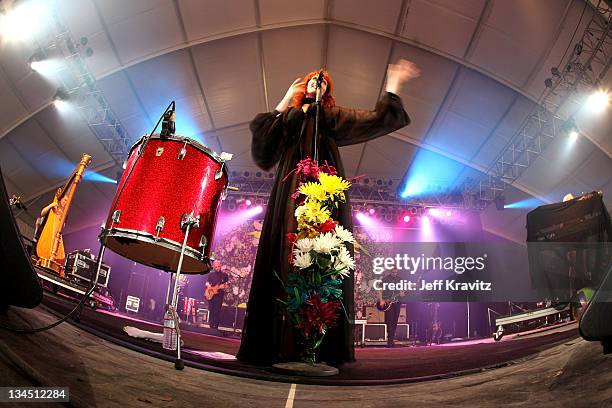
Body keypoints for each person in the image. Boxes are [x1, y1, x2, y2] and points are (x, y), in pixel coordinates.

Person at [237, 59, 420, 366]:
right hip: (292, 194)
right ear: (302, 88)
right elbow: (263, 147)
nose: (316, 84)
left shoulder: (332, 117)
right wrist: (285, 100)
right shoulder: (291, 118)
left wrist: (394, 83)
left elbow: (376, 119)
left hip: (325, 192)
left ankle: (319, 344)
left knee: (325, 257)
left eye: (322, 83)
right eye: (312, 81)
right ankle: (280, 341)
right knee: (288, 253)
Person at [378, 269, 404, 348]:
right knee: (389, 321)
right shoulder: (385, 279)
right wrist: (381, 300)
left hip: (397, 302)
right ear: (390, 272)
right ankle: (389, 341)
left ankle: (391, 341)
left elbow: (402, 291)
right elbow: (380, 291)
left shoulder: (400, 280)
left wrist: (402, 293)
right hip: (387, 303)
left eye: (396, 272)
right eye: (393, 272)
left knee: (394, 322)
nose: (394, 273)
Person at [206, 260, 229, 330]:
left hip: (219, 295)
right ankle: (211, 325)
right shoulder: (211, 274)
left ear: (220, 266)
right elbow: (207, 283)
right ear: (213, 267)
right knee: (211, 309)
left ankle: (215, 326)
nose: (217, 268)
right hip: (211, 294)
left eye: (218, 266)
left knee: (217, 310)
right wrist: (209, 286)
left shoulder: (224, 275)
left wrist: (224, 286)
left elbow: (227, 285)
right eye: (216, 267)